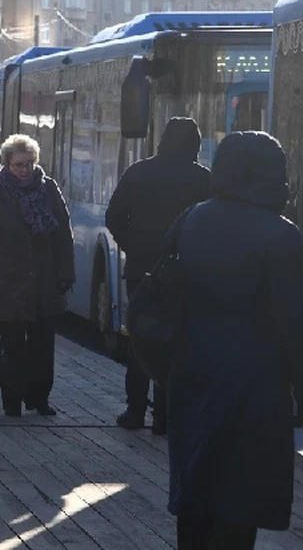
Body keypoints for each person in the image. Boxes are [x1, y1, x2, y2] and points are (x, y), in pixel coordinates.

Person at [167, 131, 303, 549]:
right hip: (256, 386)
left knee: (195, 485)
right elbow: (297, 321)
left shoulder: (191, 219)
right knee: (240, 495)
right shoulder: (280, 234)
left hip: (192, 374)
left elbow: (161, 294)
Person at [105, 117, 210, 435]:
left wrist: (133, 247)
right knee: (177, 342)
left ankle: (135, 410)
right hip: (185, 274)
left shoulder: (139, 172)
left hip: (142, 271)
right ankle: (164, 416)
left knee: (141, 338)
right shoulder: (203, 179)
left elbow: (114, 216)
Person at [0, 134, 75, 417]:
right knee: (13, 347)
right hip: (9, 283)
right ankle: (12, 400)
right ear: (7, 164)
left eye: (29, 164)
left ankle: (39, 398)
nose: (24, 170)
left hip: (45, 282)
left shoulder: (49, 190)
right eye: (19, 164)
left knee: (43, 347)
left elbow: (64, 235)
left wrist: (66, 272)